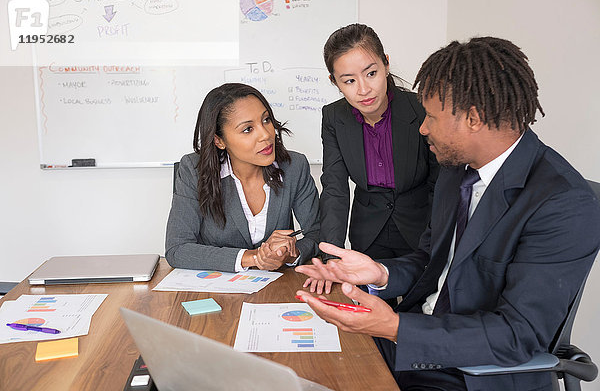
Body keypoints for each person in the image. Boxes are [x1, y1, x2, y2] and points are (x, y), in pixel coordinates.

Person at [296, 37, 600, 391]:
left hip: (466, 373)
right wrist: (380, 272)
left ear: (472, 118)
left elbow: (519, 335)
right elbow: (430, 259)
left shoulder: (564, 204)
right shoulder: (457, 172)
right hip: (415, 344)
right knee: (301, 369)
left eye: (432, 118)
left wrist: (393, 327)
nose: (423, 128)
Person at [314, 23, 438, 294]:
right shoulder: (334, 117)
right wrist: (331, 256)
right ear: (335, 82)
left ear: (386, 65)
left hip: (421, 231)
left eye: (371, 73)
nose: (363, 89)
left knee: (416, 313)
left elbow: (439, 184)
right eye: (349, 80)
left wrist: (437, 239)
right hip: (368, 233)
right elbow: (335, 188)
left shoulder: (421, 108)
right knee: (368, 316)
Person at [166, 83, 320, 273]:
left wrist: (290, 254)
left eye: (266, 120)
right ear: (219, 140)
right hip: (214, 288)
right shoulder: (193, 170)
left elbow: (318, 232)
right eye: (247, 129)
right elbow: (177, 249)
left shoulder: (294, 166)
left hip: (275, 291)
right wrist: (255, 257)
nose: (266, 134)